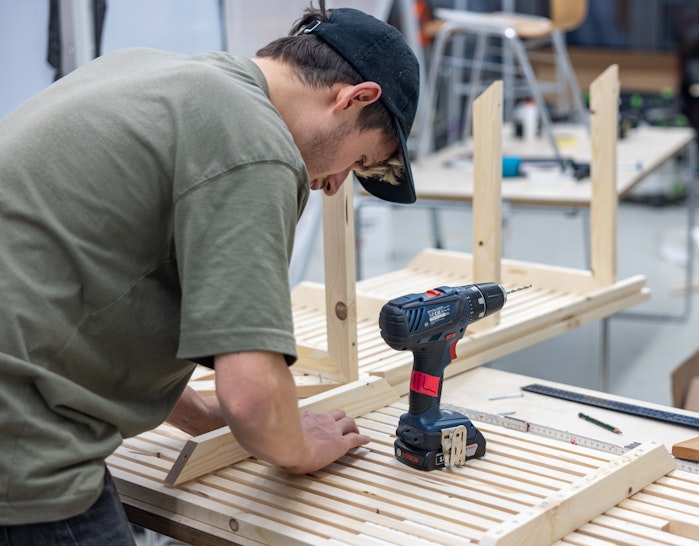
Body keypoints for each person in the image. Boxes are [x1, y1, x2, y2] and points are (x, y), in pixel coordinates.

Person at [0, 3, 419, 544]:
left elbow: (87, 283)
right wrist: (299, 443)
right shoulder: (255, 145)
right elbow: (252, 399)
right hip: (20, 455)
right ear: (354, 98)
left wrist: (198, 412)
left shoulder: (142, 73)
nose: (335, 185)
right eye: (359, 161)